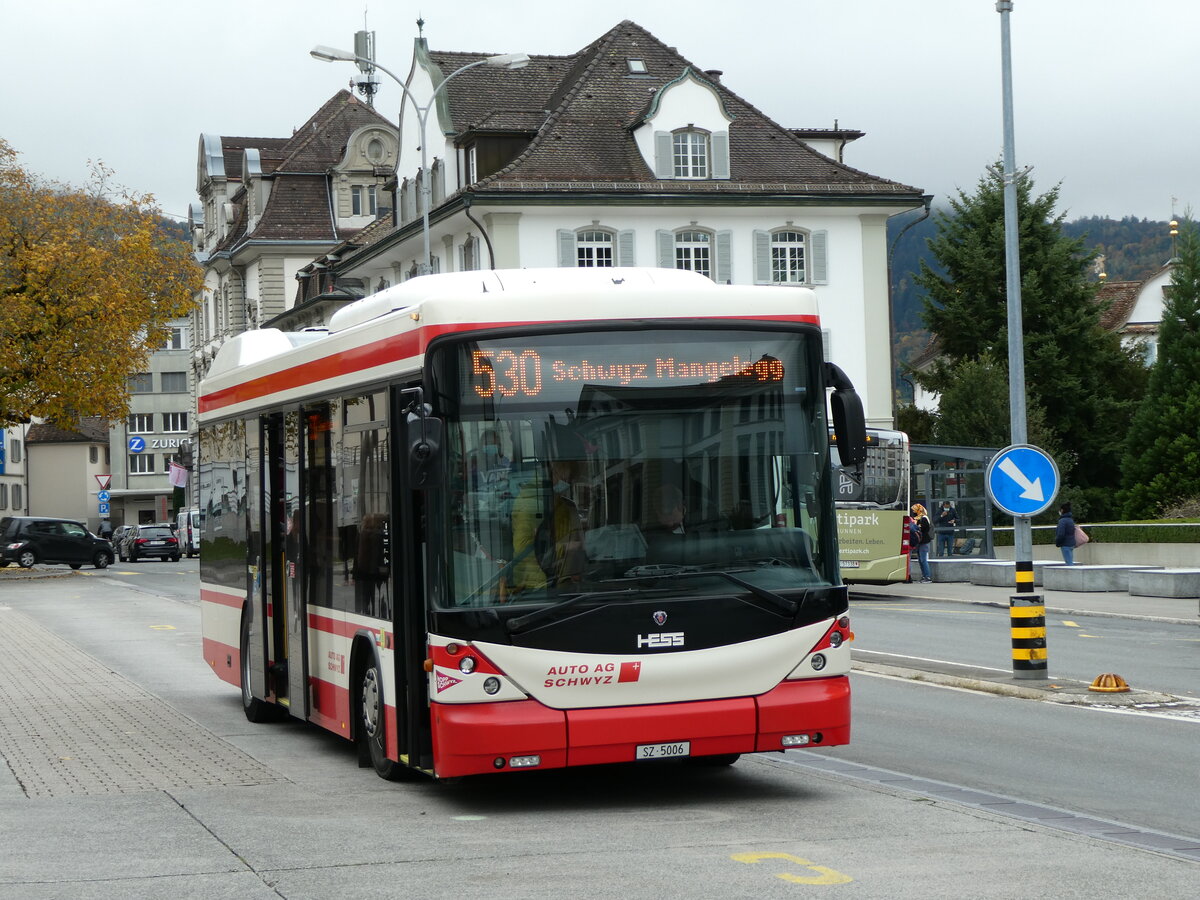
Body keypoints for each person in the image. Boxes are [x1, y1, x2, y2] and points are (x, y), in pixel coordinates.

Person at [511, 431, 588, 592]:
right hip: (536, 588)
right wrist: (566, 548)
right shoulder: (530, 499)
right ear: (555, 466)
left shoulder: (566, 506)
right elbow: (523, 549)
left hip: (564, 585)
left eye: (574, 478)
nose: (571, 481)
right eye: (569, 475)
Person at [910, 503, 933, 582]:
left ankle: (927, 577)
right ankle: (924, 576)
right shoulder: (917, 518)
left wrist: (917, 527)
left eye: (914, 510)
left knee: (923, 560)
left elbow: (924, 529)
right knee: (920, 560)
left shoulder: (924, 518)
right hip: (920, 542)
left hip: (924, 542)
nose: (913, 512)